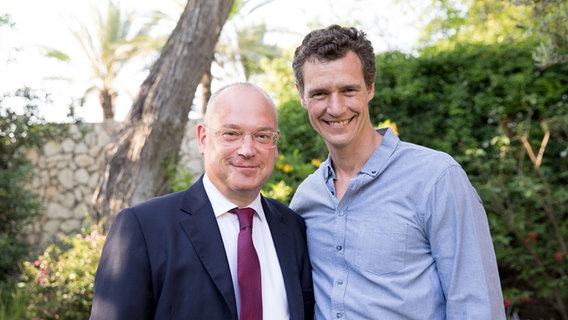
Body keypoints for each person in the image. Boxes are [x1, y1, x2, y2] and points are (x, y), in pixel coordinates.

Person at [289, 24, 505, 319]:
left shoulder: (436, 178)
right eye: (320, 93)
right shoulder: (306, 198)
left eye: (348, 90)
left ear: (370, 87)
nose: (336, 107)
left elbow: (476, 304)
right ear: (302, 96)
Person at [90, 82, 314, 320]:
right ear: (203, 138)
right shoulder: (144, 228)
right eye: (231, 134)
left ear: (275, 144)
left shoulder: (292, 228)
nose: (247, 150)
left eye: (261, 136)